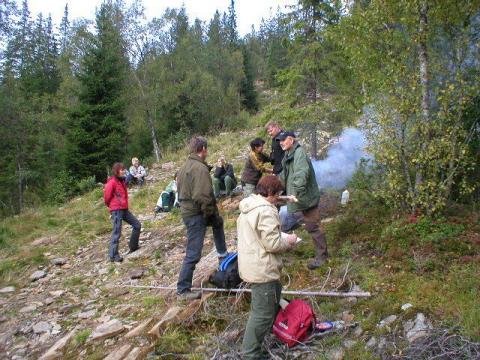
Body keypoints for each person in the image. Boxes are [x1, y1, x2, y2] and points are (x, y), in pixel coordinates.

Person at [237, 175, 297, 359]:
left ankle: (259, 343)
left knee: (271, 302)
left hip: (252, 263)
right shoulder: (266, 211)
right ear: (270, 193)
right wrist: (289, 241)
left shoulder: (249, 205)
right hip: (262, 268)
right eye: (278, 194)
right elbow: (272, 244)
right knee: (261, 314)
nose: (279, 197)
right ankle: (250, 354)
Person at [176, 136, 229, 300]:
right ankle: (183, 290)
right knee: (193, 253)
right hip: (196, 213)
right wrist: (209, 212)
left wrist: (212, 215)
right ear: (203, 149)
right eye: (207, 149)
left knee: (218, 223)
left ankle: (223, 258)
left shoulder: (185, 166)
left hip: (191, 210)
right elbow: (202, 196)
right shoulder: (200, 168)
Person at [278, 131, 328, 270]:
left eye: (283, 140)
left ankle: (322, 258)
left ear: (291, 140)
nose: (281, 142)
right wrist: (274, 186)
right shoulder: (288, 154)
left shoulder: (299, 153)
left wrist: (295, 193)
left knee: (313, 226)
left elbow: (301, 174)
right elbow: (284, 175)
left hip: (306, 198)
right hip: (300, 198)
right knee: (306, 223)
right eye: (279, 140)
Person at [103, 162, 141, 263]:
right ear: (116, 171)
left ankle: (133, 247)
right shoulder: (112, 182)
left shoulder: (122, 181)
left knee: (137, 225)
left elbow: (129, 177)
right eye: (121, 169)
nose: (123, 170)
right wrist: (112, 207)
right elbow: (106, 197)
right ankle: (113, 255)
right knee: (117, 232)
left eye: (124, 169)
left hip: (124, 209)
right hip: (116, 210)